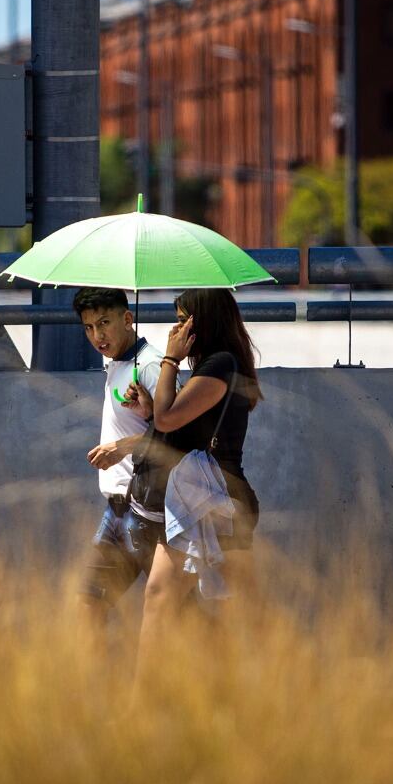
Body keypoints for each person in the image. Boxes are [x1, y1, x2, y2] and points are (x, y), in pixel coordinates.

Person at [123, 287, 263, 693]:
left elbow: (167, 422)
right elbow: (176, 423)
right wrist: (149, 407)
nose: (177, 327)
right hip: (211, 499)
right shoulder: (215, 366)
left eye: (184, 318)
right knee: (195, 601)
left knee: (204, 603)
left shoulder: (220, 365)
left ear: (203, 323)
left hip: (214, 500)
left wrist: (167, 359)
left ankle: (143, 705)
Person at [74, 287, 183, 640]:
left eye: (104, 323)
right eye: (88, 327)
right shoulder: (120, 363)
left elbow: (182, 433)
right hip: (118, 510)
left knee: (177, 612)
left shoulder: (149, 364)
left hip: (147, 513)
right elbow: (156, 421)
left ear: (127, 318)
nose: (97, 335)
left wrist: (123, 447)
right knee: (89, 605)